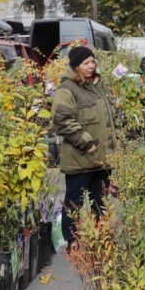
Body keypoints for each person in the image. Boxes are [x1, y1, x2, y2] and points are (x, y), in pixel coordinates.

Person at [51, 45, 116, 245]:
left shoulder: (96, 87)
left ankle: (100, 239)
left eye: (93, 62)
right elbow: (61, 120)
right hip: (80, 159)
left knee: (102, 202)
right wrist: (85, 143)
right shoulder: (67, 89)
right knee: (74, 204)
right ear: (76, 66)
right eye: (86, 63)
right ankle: (73, 244)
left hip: (101, 160)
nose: (91, 66)